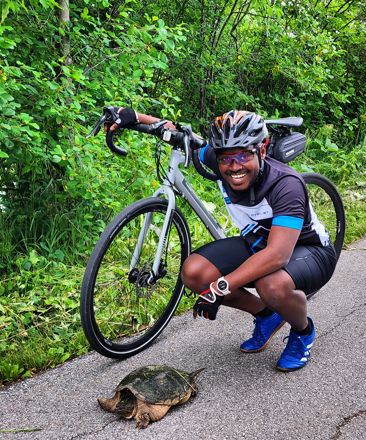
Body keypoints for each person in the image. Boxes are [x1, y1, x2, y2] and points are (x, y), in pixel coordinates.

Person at [108, 107, 337, 371]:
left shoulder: (286, 184)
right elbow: (181, 134)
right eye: (226, 158)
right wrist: (133, 117)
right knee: (194, 273)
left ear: (261, 150)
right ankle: (267, 315)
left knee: (270, 283)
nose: (234, 166)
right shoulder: (215, 159)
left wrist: (219, 289)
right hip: (257, 244)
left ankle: (302, 330)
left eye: (243, 155)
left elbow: (277, 256)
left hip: (308, 250)